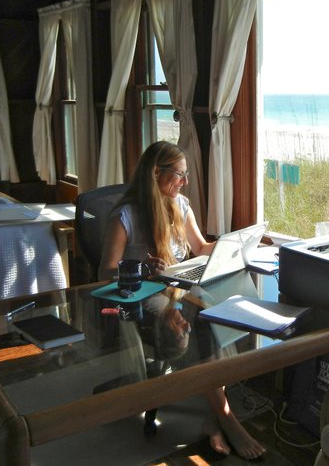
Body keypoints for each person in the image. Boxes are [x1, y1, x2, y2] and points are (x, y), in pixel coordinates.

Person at [98, 140, 266, 460]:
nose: (184, 182)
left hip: (178, 286)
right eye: (179, 174)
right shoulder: (126, 215)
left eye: (186, 175)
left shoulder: (182, 205)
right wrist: (143, 268)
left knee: (224, 315)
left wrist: (241, 244)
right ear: (155, 173)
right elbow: (105, 269)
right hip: (144, 291)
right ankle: (225, 418)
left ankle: (212, 417)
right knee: (194, 325)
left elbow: (200, 247)